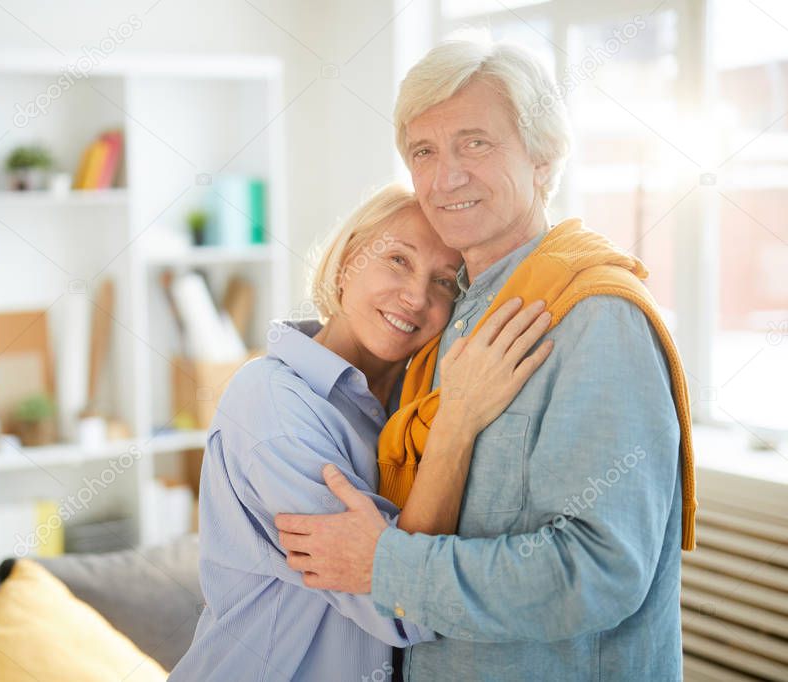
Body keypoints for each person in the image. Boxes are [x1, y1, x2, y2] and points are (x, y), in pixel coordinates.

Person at [275, 37, 697, 681]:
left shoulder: (596, 319)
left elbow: (599, 573)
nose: (446, 178)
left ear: (543, 156)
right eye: (424, 152)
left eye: (475, 142)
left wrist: (384, 564)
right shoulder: (443, 321)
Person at [169, 184, 554, 681]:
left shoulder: (405, 411)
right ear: (349, 260)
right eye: (397, 260)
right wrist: (458, 422)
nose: (416, 296)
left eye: (445, 282)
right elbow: (401, 606)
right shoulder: (271, 401)